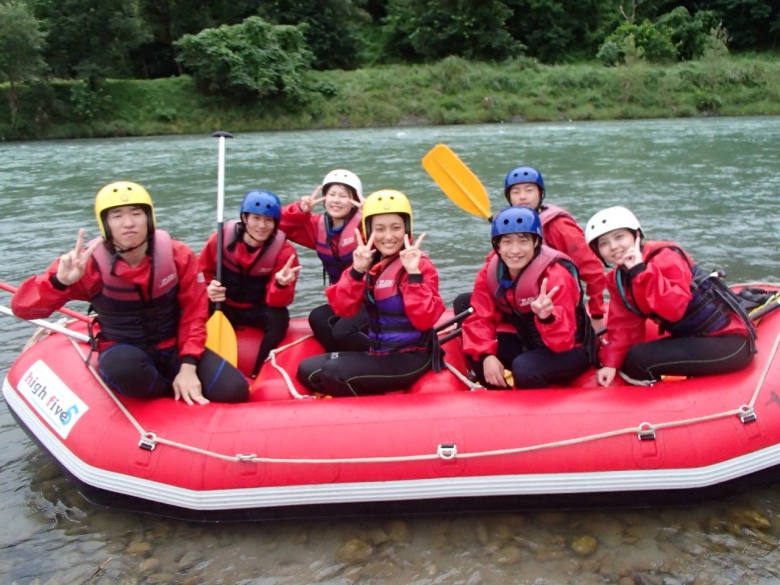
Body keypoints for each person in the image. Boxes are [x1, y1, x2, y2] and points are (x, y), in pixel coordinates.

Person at [12, 181, 248, 404]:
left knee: (233, 389)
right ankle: (165, 394)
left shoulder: (178, 255)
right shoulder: (85, 265)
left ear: (149, 218)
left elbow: (194, 313)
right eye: (117, 215)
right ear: (105, 223)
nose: (128, 223)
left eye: (136, 213)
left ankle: (176, 384)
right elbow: (23, 310)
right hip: (123, 349)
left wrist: (188, 367)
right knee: (124, 370)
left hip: (174, 347)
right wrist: (59, 282)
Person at [584, 206, 756, 387]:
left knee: (637, 360)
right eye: (603, 243)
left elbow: (674, 309)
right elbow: (624, 326)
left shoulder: (666, 257)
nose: (614, 247)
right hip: (692, 338)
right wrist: (611, 362)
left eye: (620, 237)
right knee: (629, 357)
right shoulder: (618, 280)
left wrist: (640, 271)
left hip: (729, 342)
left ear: (636, 236)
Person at [296, 189, 446, 397]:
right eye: (379, 229)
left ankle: (366, 412)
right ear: (368, 230)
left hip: (412, 357)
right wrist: (356, 271)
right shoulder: (369, 262)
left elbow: (425, 320)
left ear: (406, 229)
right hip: (378, 352)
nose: (388, 236)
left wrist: (413, 275)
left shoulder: (419, 265)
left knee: (333, 372)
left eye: (396, 228)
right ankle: (369, 394)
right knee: (307, 370)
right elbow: (342, 308)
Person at [454, 166, 607, 331]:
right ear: (509, 197)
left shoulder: (560, 226)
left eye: (529, 190)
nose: (522, 196)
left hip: (552, 301)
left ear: (541, 194)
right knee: (463, 302)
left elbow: (592, 270)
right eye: (515, 192)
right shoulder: (506, 223)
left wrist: (597, 314)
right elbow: (495, 266)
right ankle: (486, 348)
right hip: (517, 299)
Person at [462, 206, 596, 390]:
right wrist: (486, 356)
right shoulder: (489, 272)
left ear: (535, 243)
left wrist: (547, 317)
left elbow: (563, 342)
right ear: (498, 246)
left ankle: (536, 410)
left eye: (523, 241)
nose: (515, 250)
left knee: (524, 367)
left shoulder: (557, 276)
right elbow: (479, 319)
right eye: (507, 242)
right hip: (530, 342)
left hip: (571, 350)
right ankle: (500, 398)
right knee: (475, 349)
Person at [198, 190, 300, 378]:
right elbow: (199, 274)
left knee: (279, 317)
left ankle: (259, 372)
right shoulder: (219, 240)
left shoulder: (285, 252)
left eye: (269, 220)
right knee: (192, 309)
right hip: (223, 305)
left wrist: (281, 285)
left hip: (256, 309)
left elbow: (278, 302)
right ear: (244, 218)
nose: (262, 226)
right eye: (256, 218)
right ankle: (194, 364)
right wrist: (207, 289)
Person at [279, 169, 369, 352]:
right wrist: (299, 210)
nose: (336, 200)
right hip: (344, 300)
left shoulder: (367, 225)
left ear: (355, 201)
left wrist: (372, 214)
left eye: (343, 196)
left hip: (371, 301)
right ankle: (341, 358)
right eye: (331, 194)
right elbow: (277, 225)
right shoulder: (317, 226)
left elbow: (392, 240)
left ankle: (373, 357)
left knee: (344, 330)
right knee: (318, 317)